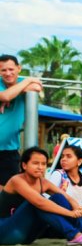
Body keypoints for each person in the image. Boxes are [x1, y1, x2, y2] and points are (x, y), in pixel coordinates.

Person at [0, 147, 82, 246]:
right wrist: (70, 213)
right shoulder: (17, 180)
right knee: (38, 202)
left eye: (43, 164)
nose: (40, 167)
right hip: (7, 231)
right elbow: (40, 203)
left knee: (58, 197)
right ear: (24, 165)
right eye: (35, 163)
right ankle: (74, 235)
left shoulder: (43, 182)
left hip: (28, 235)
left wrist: (76, 208)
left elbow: (66, 197)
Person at [0, 54, 42, 186]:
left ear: (19, 68)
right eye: (3, 70)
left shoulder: (24, 82)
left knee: (10, 190)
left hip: (9, 150)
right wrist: (27, 81)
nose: (8, 73)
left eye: (11, 69)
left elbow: (36, 87)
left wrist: (14, 92)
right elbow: (6, 96)